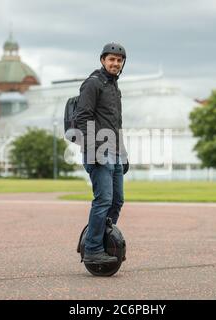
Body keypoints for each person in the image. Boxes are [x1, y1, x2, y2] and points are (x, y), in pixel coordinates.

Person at [75, 42, 129, 264]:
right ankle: (93, 248)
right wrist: (93, 150)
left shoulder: (114, 88)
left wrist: (123, 154)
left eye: (119, 60)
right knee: (103, 199)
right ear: (102, 60)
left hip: (114, 152)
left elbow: (116, 125)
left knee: (117, 201)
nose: (115, 63)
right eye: (111, 59)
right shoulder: (93, 84)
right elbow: (82, 117)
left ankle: (102, 240)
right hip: (98, 152)